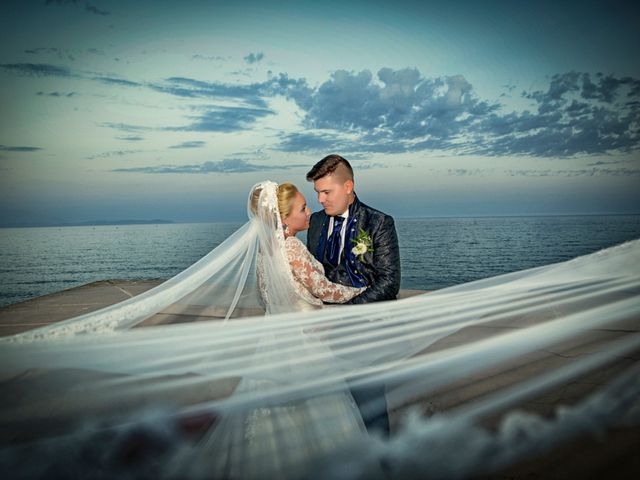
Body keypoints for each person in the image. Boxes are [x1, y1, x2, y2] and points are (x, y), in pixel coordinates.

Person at [306, 154, 401, 437]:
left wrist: (341, 315)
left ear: (348, 186)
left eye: (326, 192)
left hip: (364, 337)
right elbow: (314, 273)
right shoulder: (316, 223)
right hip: (321, 339)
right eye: (317, 193)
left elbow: (389, 282)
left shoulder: (379, 223)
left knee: (370, 412)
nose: (320, 200)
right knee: (330, 416)